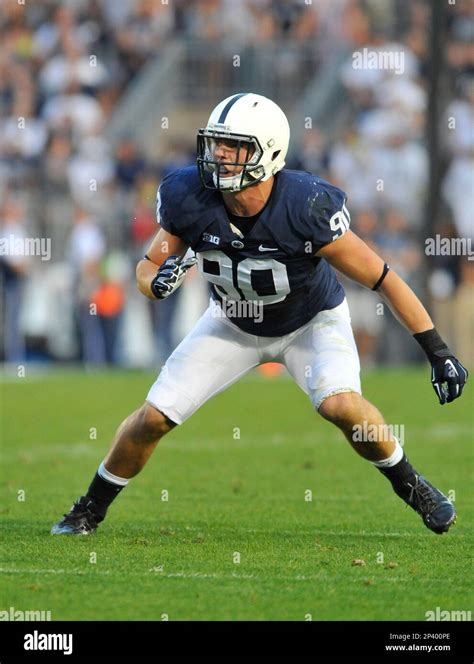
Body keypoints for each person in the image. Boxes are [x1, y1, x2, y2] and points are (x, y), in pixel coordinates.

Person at [52, 93, 468, 536]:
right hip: (231, 322)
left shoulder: (305, 206)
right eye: (217, 144)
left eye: (235, 147)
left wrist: (437, 351)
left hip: (310, 322)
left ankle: (413, 485)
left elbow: (383, 278)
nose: (221, 156)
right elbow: (148, 265)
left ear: (268, 152)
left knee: (340, 404)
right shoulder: (188, 195)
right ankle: (88, 509)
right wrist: (154, 282)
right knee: (154, 415)